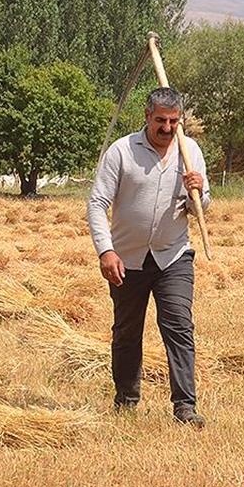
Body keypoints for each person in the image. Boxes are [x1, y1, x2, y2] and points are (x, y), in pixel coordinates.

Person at [86, 87, 210, 427]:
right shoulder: (122, 151)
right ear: (147, 117)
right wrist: (106, 250)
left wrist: (198, 191)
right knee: (127, 332)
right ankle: (126, 399)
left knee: (179, 326)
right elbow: (97, 204)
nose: (168, 128)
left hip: (174, 256)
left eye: (174, 121)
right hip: (127, 259)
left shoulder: (190, 151)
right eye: (161, 121)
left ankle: (185, 407)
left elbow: (200, 206)